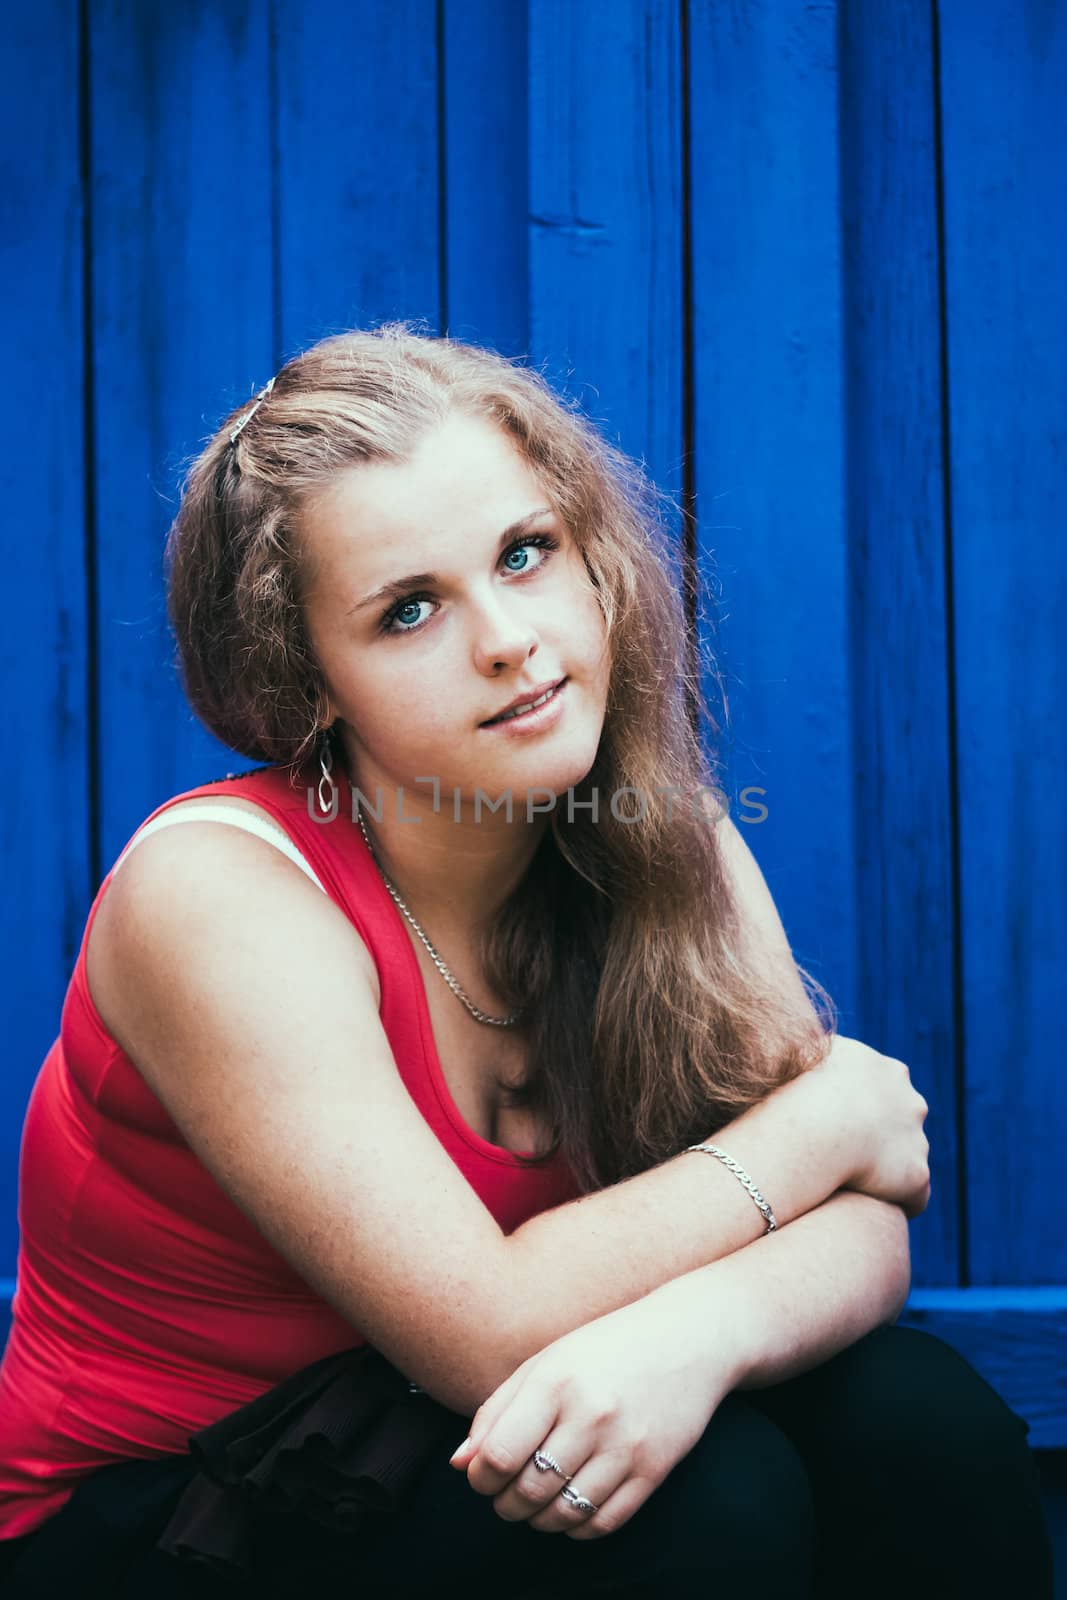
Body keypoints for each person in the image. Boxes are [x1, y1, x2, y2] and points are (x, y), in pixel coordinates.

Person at [0, 322, 1053, 1599]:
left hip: (447, 1432)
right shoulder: (218, 892)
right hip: (165, 1514)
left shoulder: (667, 846)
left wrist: (694, 1335)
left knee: (911, 1420)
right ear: (310, 679)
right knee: (703, 1504)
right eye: (407, 611)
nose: (507, 638)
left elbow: (865, 1232)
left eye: (523, 552)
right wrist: (825, 1117)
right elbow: (482, 1328)